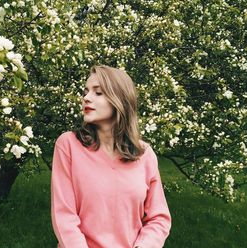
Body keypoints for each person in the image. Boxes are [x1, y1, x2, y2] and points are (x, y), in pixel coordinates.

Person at [51, 65, 171, 248]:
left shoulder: (144, 154)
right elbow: (64, 216)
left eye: (98, 93)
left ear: (120, 101)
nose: (86, 98)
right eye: (86, 92)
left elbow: (159, 218)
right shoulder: (68, 145)